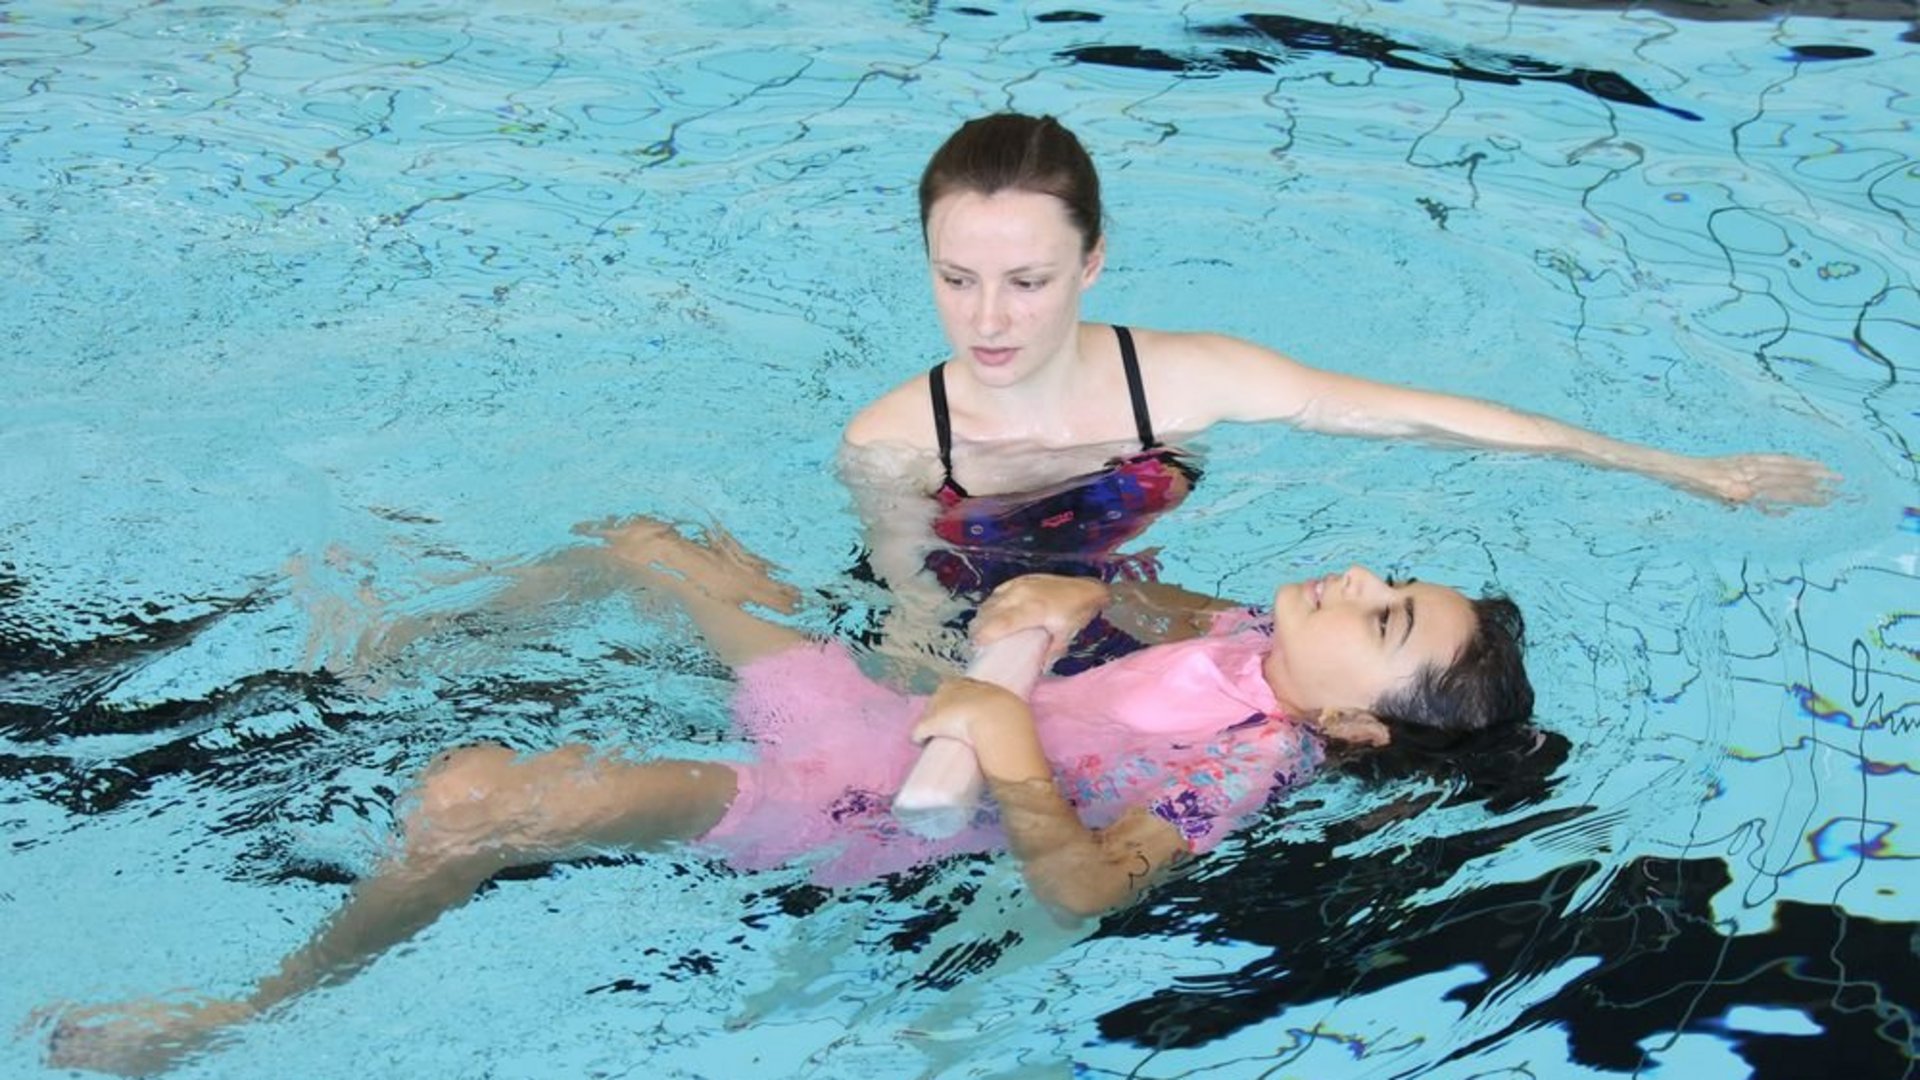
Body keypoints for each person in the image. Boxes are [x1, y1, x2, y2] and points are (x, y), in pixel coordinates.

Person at [44, 517, 1532, 1075]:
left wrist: (1002, 750)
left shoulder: (1246, 764)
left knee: (476, 806)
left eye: (1388, 616)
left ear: (1350, 723)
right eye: (1397, 577)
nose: (1361, 581)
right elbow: (1117, 605)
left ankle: (235, 1021)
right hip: (891, 724)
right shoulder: (1248, 637)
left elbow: (1086, 885)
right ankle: (395, 653)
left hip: (866, 811)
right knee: (651, 544)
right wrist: (1046, 605)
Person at [841, 113, 1837, 661]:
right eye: (955, 278)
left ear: (1092, 263)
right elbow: (915, 613)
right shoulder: (895, 441)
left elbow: (1413, 415)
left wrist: (1671, 467)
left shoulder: (1182, 379)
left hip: (1123, 602)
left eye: (1029, 282)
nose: (986, 321)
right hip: (982, 630)